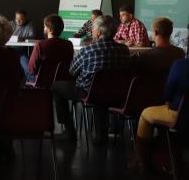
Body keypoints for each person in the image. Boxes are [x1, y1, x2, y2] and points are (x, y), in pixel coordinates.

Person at [51, 15, 131, 143]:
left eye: (93, 28)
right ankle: (101, 135)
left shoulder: (88, 50)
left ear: (98, 32)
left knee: (56, 86)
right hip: (117, 92)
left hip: (88, 92)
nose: (92, 30)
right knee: (102, 90)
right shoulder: (124, 50)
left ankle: (69, 131)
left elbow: (72, 71)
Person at [132, 57, 189, 170]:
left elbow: (168, 94)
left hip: (179, 115)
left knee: (145, 113)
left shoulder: (180, 65)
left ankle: (142, 160)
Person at [23, 14, 74, 82]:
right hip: (62, 81)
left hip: (42, 82)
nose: (44, 28)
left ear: (49, 29)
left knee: (23, 59)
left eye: (44, 26)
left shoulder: (40, 45)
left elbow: (32, 70)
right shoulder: (69, 44)